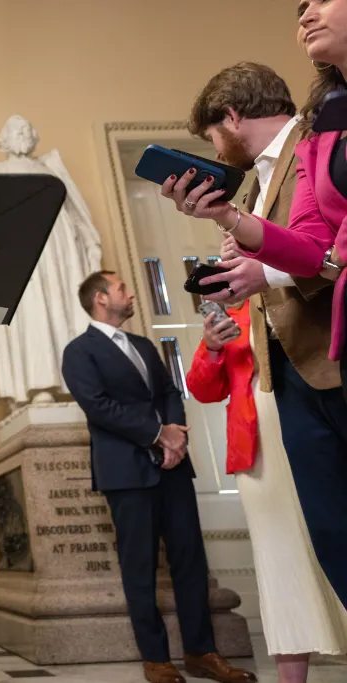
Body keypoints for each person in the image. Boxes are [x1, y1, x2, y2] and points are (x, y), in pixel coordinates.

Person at [161, 4, 347, 609]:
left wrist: (256, 266)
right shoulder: (258, 181)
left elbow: (324, 255)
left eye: (212, 135)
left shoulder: (317, 143)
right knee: (333, 532)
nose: (215, 148)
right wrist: (240, 257)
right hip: (289, 371)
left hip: (332, 355)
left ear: (232, 117)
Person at [61, 271, 256, 683]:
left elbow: (170, 391)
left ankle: (202, 652)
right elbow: (98, 407)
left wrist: (176, 438)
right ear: (100, 299)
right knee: (139, 567)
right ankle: (155, 659)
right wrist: (157, 435)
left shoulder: (144, 345)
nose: (130, 294)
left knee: (190, 561)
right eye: (120, 289)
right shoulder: (80, 352)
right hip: (127, 473)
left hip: (173, 467)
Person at [186, 303, 347, 683]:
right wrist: (210, 347)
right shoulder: (233, 310)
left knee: (338, 538)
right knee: (280, 563)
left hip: (321, 428)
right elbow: (203, 389)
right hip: (259, 449)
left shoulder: (301, 292)